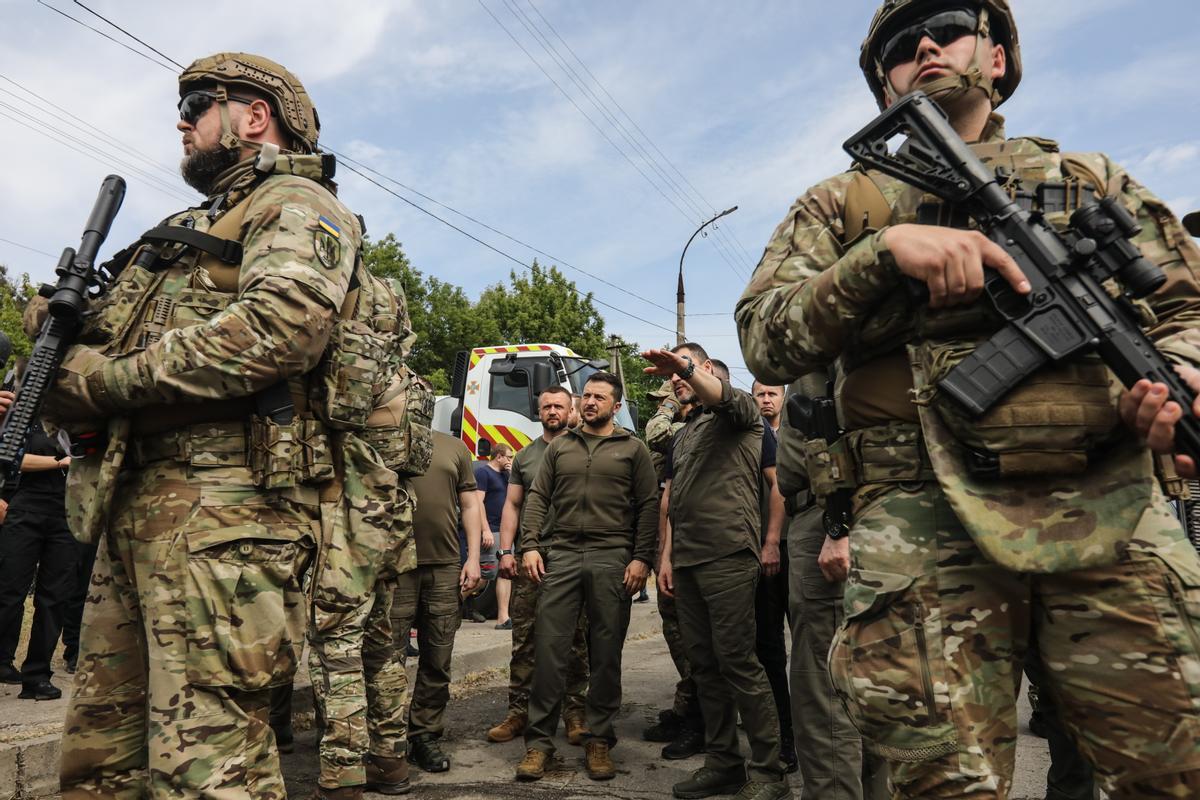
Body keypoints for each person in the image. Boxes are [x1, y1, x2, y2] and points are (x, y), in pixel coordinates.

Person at [736, 2, 1200, 795]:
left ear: (996, 55)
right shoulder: (843, 205)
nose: (922, 44)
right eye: (896, 43)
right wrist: (881, 257)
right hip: (918, 521)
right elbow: (764, 336)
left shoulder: (1087, 179)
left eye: (946, 25)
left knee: (1174, 768)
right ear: (884, 83)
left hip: (1112, 505)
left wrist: (1180, 371)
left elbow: (1186, 305)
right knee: (942, 783)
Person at [42, 53, 397, 799]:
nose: (182, 119)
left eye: (198, 103)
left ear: (254, 115)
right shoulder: (185, 231)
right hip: (135, 506)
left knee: (208, 766)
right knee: (102, 759)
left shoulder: (296, 202)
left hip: (228, 516)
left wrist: (103, 382)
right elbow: (107, 340)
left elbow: (282, 325)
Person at [647, 343, 791, 800]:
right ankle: (725, 764)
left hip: (728, 555)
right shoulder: (686, 433)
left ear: (708, 369)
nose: (674, 379)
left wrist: (686, 369)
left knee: (739, 663)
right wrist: (665, 558)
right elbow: (671, 501)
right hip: (686, 560)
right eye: (670, 374)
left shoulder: (739, 413)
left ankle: (769, 774)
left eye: (685, 368)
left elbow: (723, 397)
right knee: (704, 668)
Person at [513, 372, 658, 782]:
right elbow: (538, 497)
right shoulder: (562, 447)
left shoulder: (634, 449)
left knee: (606, 654)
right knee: (549, 651)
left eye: (599, 397)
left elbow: (648, 506)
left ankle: (599, 740)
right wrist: (530, 545)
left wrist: (641, 558)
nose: (590, 402)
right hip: (562, 555)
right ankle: (539, 744)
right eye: (587, 396)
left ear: (616, 405)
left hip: (613, 556)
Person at [777, 376, 890, 799]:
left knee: (822, 689)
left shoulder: (826, 337)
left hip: (829, 514)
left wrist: (838, 522)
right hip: (852, 515)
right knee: (868, 680)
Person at [490, 386, 590, 746]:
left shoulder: (583, 449)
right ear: (539, 411)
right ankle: (519, 712)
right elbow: (513, 506)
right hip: (531, 555)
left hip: (571, 556)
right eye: (546, 406)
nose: (552, 411)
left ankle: (575, 714)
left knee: (575, 639)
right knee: (525, 638)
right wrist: (506, 550)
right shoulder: (526, 456)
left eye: (559, 406)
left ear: (572, 410)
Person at [379, 430, 483, 776]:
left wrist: (472, 559)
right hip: (394, 568)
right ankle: (386, 741)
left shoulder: (454, 447)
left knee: (437, 659)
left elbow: (469, 504)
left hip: (444, 566)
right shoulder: (381, 439)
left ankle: (424, 735)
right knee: (386, 661)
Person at [641, 380, 703, 758]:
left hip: (687, 548)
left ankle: (701, 721)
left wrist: (667, 407)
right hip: (662, 547)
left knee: (692, 639)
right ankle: (687, 708)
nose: (661, 404)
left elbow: (657, 431)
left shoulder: (687, 430)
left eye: (667, 397)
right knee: (675, 631)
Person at [0, 417, 74, 700]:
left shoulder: (77, 417)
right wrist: (59, 462)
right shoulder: (26, 414)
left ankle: (37, 676)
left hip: (66, 512)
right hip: (26, 507)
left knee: (55, 598)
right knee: (9, 591)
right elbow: (11, 457)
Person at [750, 381, 794, 773]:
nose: (766, 400)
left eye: (771, 394)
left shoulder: (797, 435)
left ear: (783, 399)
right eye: (759, 394)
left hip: (800, 554)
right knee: (769, 651)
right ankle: (785, 738)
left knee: (815, 650)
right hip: (762, 561)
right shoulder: (750, 437)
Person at [475, 442, 512, 628]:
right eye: (509, 456)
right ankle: (458, 600)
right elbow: (478, 502)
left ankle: (503, 618)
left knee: (506, 572)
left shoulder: (506, 475)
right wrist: (485, 529)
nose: (510, 460)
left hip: (505, 530)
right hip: (492, 530)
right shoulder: (483, 473)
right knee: (485, 575)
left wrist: (513, 473)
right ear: (499, 456)